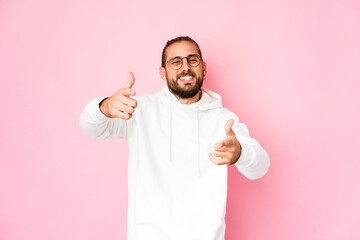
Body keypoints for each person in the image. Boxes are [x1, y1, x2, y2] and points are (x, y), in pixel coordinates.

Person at [79, 36, 270, 240]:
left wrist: (241, 153)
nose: (185, 67)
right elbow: (90, 127)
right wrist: (104, 107)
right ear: (163, 72)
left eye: (192, 60)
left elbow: (261, 166)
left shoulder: (223, 120)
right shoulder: (140, 110)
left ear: (204, 68)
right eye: (176, 62)